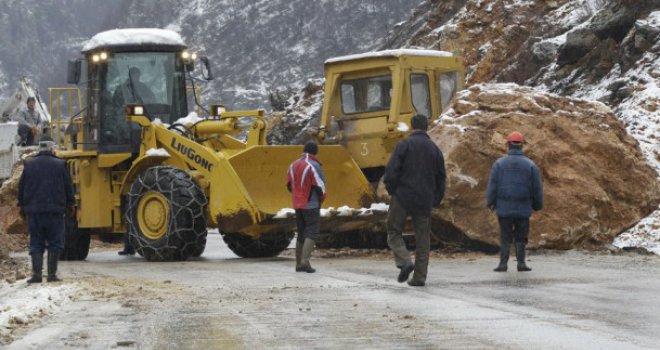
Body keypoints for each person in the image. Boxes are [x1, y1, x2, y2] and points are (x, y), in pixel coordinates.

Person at [384, 114, 446, 287]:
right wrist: (435, 199)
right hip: (424, 199)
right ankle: (419, 277)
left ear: (412, 127)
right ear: (427, 128)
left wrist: (392, 190)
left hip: (402, 196)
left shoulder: (405, 145)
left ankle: (405, 261)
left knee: (393, 231)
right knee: (423, 239)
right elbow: (441, 178)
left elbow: (391, 171)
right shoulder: (435, 149)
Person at [486, 131, 544, 272]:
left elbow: (492, 186)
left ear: (508, 145)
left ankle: (503, 264)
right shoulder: (530, 165)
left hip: (504, 208)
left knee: (505, 235)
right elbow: (537, 188)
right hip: (523, 208)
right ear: (522, 146)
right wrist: (537, 205)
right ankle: (521, 263)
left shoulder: (499, 164)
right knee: (521, 236)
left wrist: (491, 203)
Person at [18, 141, 75, 283]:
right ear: (52, 149)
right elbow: (68, 186)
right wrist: (70, 204)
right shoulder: (60, 164)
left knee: (36, 242)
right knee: (55, 242)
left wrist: (22, 206)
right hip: (55, 211)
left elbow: (22, 187)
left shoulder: (29, 165)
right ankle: (51, 275)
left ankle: (36, 275)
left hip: (34, 211)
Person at [287, 141, 326, 273]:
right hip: (311, 204)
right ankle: (305, 261)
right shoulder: (313, 165)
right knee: (312, 231)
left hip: (297, 204)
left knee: (301, 232)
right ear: (315, 152)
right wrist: (320, 200)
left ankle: (298, 264)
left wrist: (298, 197)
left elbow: (288, 185)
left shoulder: (293, 164)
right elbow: (320, 186)